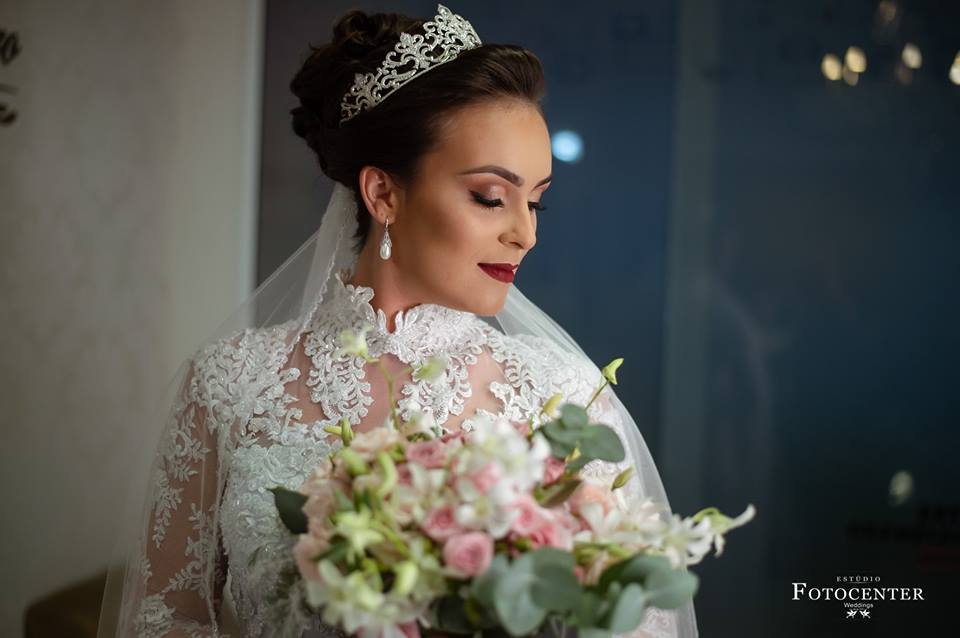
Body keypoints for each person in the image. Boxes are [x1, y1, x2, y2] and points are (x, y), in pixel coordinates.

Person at [96, 5, 699, 637]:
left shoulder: (562, 394)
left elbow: (640, 623)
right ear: (383, 193)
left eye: (536, 202)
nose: (526, 233)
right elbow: (166, 617)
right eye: (491, 197)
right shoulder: (229, 384)